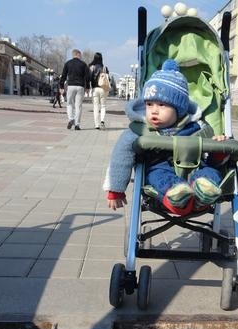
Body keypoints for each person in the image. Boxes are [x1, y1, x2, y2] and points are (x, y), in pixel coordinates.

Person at [103, 59, 228, 215]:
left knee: (211, 171)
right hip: (159, 169)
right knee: (157, 175)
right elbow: (120, 158)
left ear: (179, 109)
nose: (154, 111)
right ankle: (179, 195)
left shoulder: (197, 128)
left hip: (195, 169)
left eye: (162, 105)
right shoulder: (140, 130)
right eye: (149, 104)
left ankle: (204, 191)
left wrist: (219, 149)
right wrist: (116, 189)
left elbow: (212, 156)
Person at [59, 49, 90, 130]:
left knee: (69, 104)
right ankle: (77, 125)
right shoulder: (83, 64)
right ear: (78, 54)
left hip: (71, 85)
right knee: (78, 106)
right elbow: (87, 77)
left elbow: (63, 76)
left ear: (73, 55)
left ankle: (71, 119)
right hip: (80, 87)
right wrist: (87, 88)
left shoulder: (68, 63)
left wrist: (61, 86)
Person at [88, 52, 109, 130]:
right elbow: (108, 79)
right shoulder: (105, 67)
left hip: (95, 89)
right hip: (103, 88)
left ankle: (96, 125)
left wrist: (88, 86)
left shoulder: (92, 67)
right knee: (103, 106)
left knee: (96, 106)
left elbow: (89, 78)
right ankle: (102, 121)